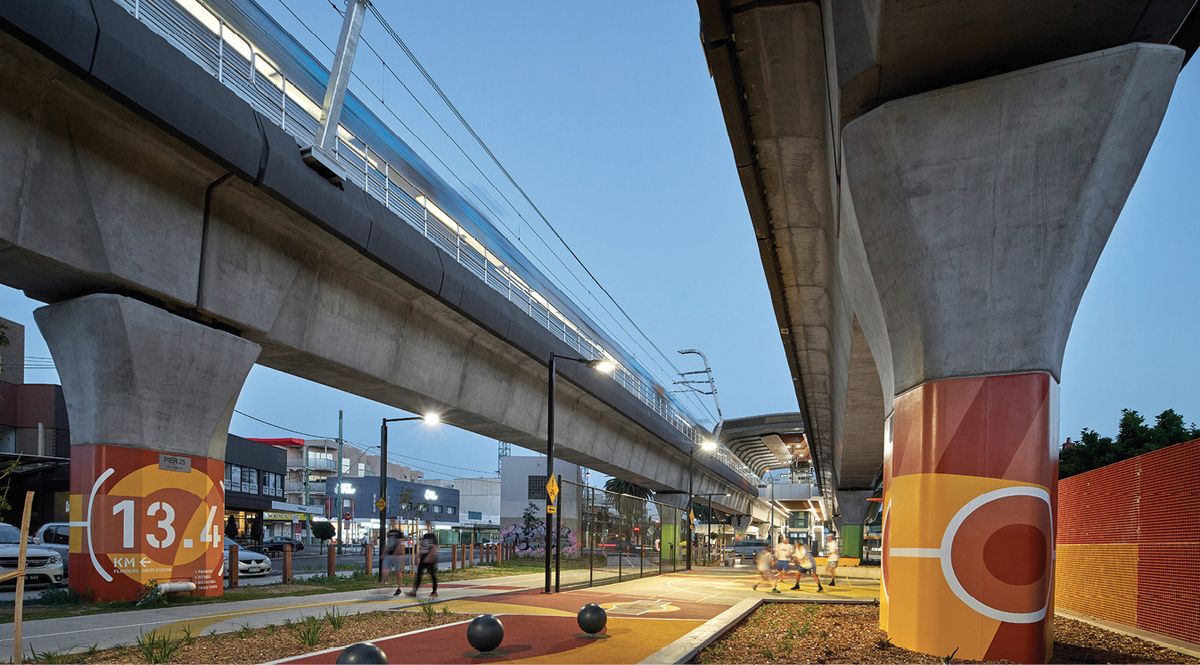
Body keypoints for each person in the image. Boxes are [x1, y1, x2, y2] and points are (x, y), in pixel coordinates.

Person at [400, 521, 438, 597]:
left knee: (432, 574)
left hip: (430, 557)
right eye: (427, 525)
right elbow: (422, 547)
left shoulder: (432, 536)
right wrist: (418, 556)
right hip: (424, 557)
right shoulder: (425, 536)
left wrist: (430, 556)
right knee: (419, 575)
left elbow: (434, 547)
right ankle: (414, 592)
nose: (427, 526)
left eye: (429, 525)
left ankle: (434, 591)